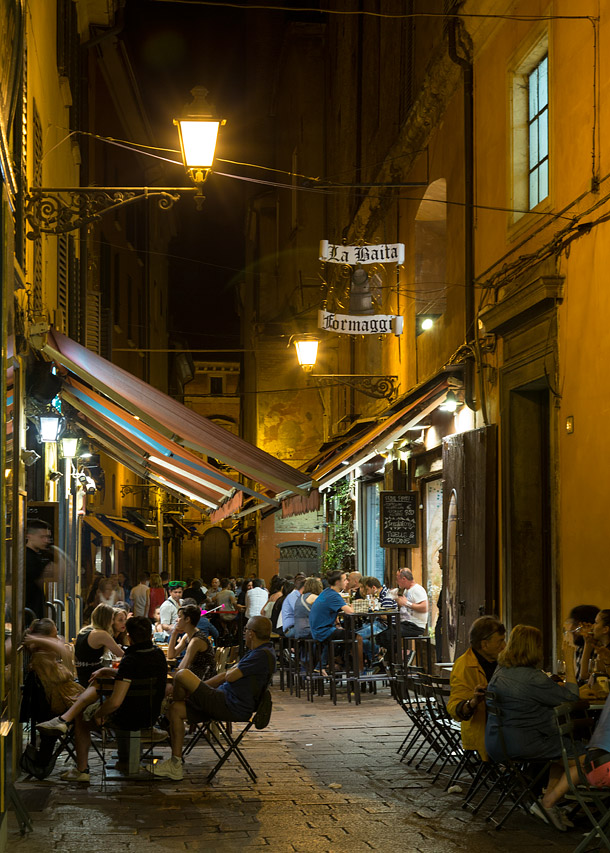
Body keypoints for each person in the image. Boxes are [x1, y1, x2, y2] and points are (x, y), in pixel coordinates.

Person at [37, 616, 168, 782]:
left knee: (82, 717)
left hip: (127, 718)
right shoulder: (157, 655)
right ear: (150, 636)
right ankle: (64, 720)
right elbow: (138, 675)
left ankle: (82, 770)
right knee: (98, 686)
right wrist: (111, 672)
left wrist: (99, 713)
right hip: (151, 715)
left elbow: (115, 703)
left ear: (129, 636)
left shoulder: (130, 660)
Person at [150, 615, 276, 780]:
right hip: (223, 699)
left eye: (245, 630)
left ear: (251, 633)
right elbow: (225, 675)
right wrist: (203, 688)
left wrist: (200, 688)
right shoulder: (260, 652)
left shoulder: (260, 655)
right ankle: (175, 764)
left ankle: (174, 699)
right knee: (176, 709)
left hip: (229, 704)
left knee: (181, 675)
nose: (244, 634)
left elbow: (230, 676)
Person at [485, 624, 584, 831]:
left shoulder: (501, 670)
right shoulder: (533, 678)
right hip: (525, 743)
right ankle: (548, 802)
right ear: (533, 648)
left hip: (497, 742)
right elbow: (572, 697)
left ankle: (548, 802)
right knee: (587, 759)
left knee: (562, 748)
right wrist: (569, 660)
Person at [447, 616, 506, 760]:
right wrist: (473, 702)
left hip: (505, 726)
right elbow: (455, 708)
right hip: (485, 732)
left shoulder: (503, 660)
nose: (504, 645)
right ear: (485, 644)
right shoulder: (465, 666)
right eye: (500, 641)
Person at [309, 570, 364, 671]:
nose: (347, 582)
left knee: (345, 634)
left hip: (318, 629)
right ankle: (360, 671)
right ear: (338, 582)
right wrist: (355, 604)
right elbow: (351, 612)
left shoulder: (327, 592)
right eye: (345, 580)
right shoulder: (334, 595)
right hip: (323, 631)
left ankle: (338, 662)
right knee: (358, 638)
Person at [74, 603, 124, 687]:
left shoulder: (84, 630)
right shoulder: (101, 634)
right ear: (107, 620)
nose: (112, 623)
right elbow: (121, 654)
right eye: (112, 619)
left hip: (81, 673)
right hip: (92, 675)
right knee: (123, 680)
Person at [377, 568, 428, 648]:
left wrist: (406, 603)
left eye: (397, 579)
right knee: (381, 635)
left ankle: (402, 655)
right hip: (405, 623)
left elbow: (425, 607)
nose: (396, 582)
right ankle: (396, 656)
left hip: (415, 626)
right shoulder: (406, 590)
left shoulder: (417, 589)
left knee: (386, 635)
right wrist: (398, 600)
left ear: (404, 579)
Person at [167, 604, 215, 681]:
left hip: (201, 680)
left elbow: (181, 668)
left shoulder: (196, 641)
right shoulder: (187, 636)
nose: (176, 620)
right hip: (193, 676)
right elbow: (171, 655)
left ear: (187, 619)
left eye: (179, 617)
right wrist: (174, 633)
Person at [25, 519, 54, 619]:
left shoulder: (37, 556)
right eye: (42, 537)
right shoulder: (28, 558)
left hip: (33, 612)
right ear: (29, 536)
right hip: (28, 613)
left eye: (48, 537)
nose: (46, 541)